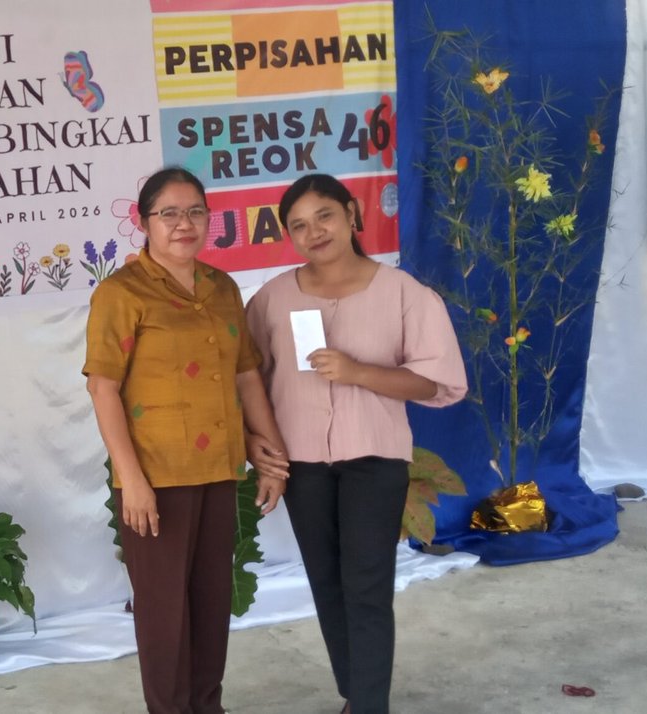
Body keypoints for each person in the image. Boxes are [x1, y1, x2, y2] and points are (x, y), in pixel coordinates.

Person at [245, 174, 468, 714]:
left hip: (374, 459)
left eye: (324, 215)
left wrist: (359, 372)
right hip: (303, 464)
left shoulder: (404, 294)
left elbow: (438, 384)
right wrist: (255, 442)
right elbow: (247, 379)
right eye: (299, 225)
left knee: (367, 585)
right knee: (326, 582)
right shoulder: (271, 300)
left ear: (350, 213)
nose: (314, 232)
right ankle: (356, 696)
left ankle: (370, 707)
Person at [83, 168, 291, 714]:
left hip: (219, 471)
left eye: (196, 211)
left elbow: (246, 375)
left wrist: (272, 456)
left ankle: (208, 706)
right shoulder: (121, 293)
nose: (184, 224)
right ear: (143, 221)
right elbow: (103, 388)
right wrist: (132, 481)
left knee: (210, 603)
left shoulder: (222, 288)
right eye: (169, 213)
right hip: (156, 478)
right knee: (163, 614)